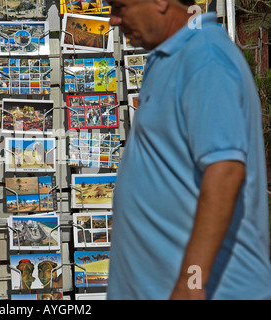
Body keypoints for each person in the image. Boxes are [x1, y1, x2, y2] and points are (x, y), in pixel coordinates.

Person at [107, 0, 271, 299]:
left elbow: (225, 172)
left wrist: (190, 286)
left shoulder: (205, 58)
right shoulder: (172, 55)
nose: (113, 20)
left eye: (120, 6)